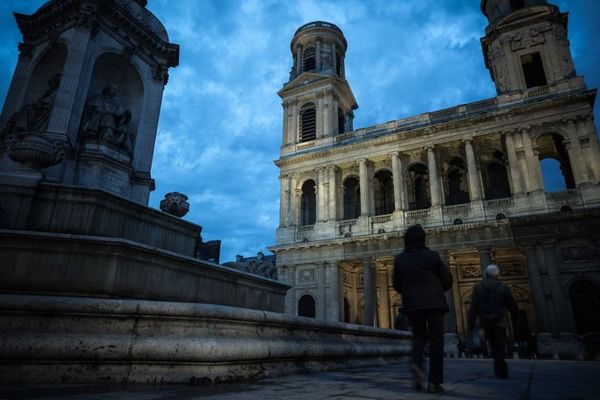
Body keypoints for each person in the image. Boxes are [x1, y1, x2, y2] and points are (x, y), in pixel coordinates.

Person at [393, 225, 453, 393]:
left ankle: (416, 365)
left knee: (418, 336)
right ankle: (434, 382)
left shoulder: (400, 259)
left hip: (413, 304)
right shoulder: (432, 256)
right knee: (436, 340)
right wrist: (437, 289)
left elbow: (396, 284)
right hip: (435, 303)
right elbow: (448, 279)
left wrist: (409, 292)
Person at [468, 264, 518, 379]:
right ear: (498, 275)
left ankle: (491, 359)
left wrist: (471, 322)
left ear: (485, 274)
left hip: (485, 321)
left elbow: (473, 307)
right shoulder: (503, 287)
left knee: (490, 342)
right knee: (499, 344)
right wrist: (515, 320)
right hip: (499, 321)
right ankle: (500, 368)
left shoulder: (478, 286)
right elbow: (512, 306)